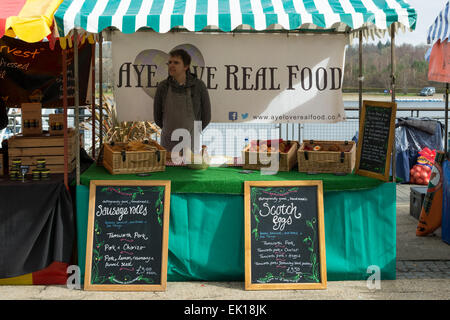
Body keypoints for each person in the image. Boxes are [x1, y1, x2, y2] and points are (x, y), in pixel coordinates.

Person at [153, 49, 211, 152]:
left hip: (192, 143)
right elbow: (157, 118)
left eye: (176, 62)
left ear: (186, 66)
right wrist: (169, 131)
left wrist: (194, 133)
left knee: (190, 167)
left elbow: (206, 116)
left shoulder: (198, 86)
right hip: (168, 143)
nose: (171, 65)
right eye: (170, 62)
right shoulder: (163, 87)